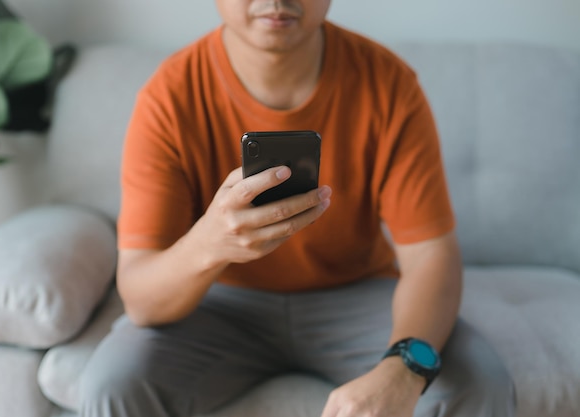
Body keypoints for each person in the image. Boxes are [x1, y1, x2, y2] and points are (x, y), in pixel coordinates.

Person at [79, 1, 516, 416]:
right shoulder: (169, 97)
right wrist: (209, 245)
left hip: (357, 293)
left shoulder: (388, 84)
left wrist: (403, 367)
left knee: (479, 382)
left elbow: (430, 255)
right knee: (111, 384)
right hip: (218, 303)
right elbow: (140, 299)